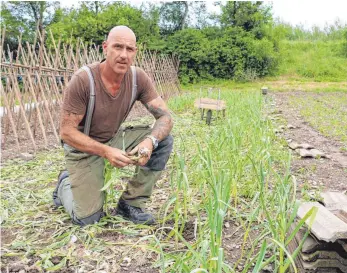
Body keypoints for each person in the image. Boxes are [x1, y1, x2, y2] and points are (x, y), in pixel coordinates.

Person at [52, 26, 174, 226]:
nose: (123, 55)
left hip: (112, 139)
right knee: (88, 219)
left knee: (163, 140)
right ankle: (64, 183)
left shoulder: (138, 78)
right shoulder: (84, 80)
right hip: (82, 148)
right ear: (105, 48)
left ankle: (130, 204)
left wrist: (150, 142)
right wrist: (106, 151)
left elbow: (165, 117)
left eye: (129, 49)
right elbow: (67, 133)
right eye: (118, 47)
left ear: (135, 52)